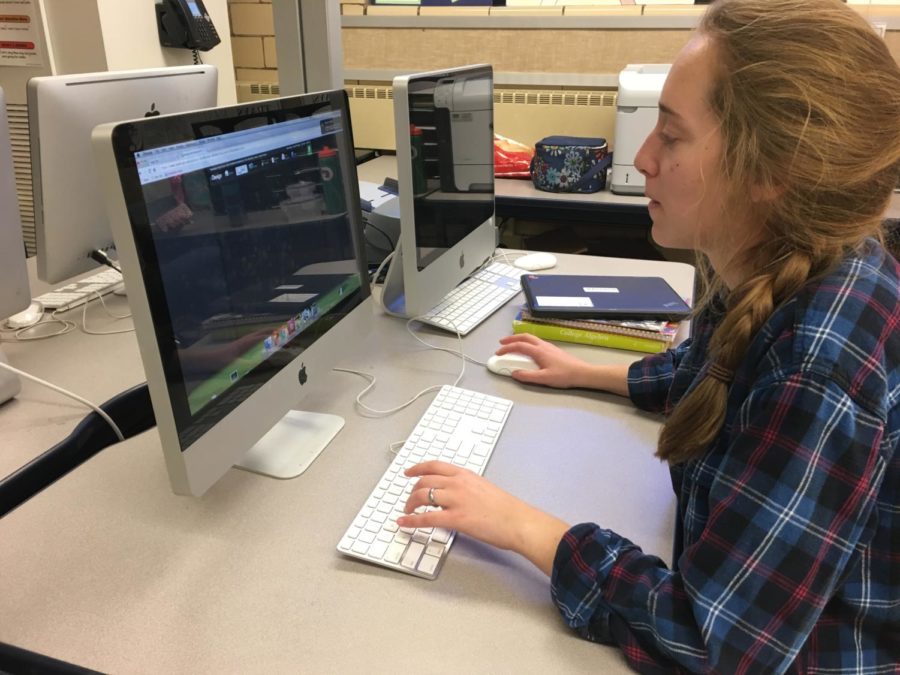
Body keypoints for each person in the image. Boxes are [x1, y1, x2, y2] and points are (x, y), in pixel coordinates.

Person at [396, 0, 900, 671]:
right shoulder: (781, 264)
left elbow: (709, 644)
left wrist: (524, 527)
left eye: (671, 134)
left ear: (770, 172)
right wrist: (589, 370)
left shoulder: (819, 363)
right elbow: (718, 373)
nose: (641, 157)